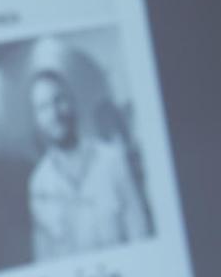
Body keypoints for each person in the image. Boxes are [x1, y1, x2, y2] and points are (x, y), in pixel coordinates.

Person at [27, 70, 147, 261]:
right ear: (37, 119)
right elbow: (45, 260)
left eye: (59, 100)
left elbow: (140, 234)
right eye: (43, 107)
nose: (54, 113)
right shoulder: (38, 184)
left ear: (72, 102)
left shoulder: (112, 160)